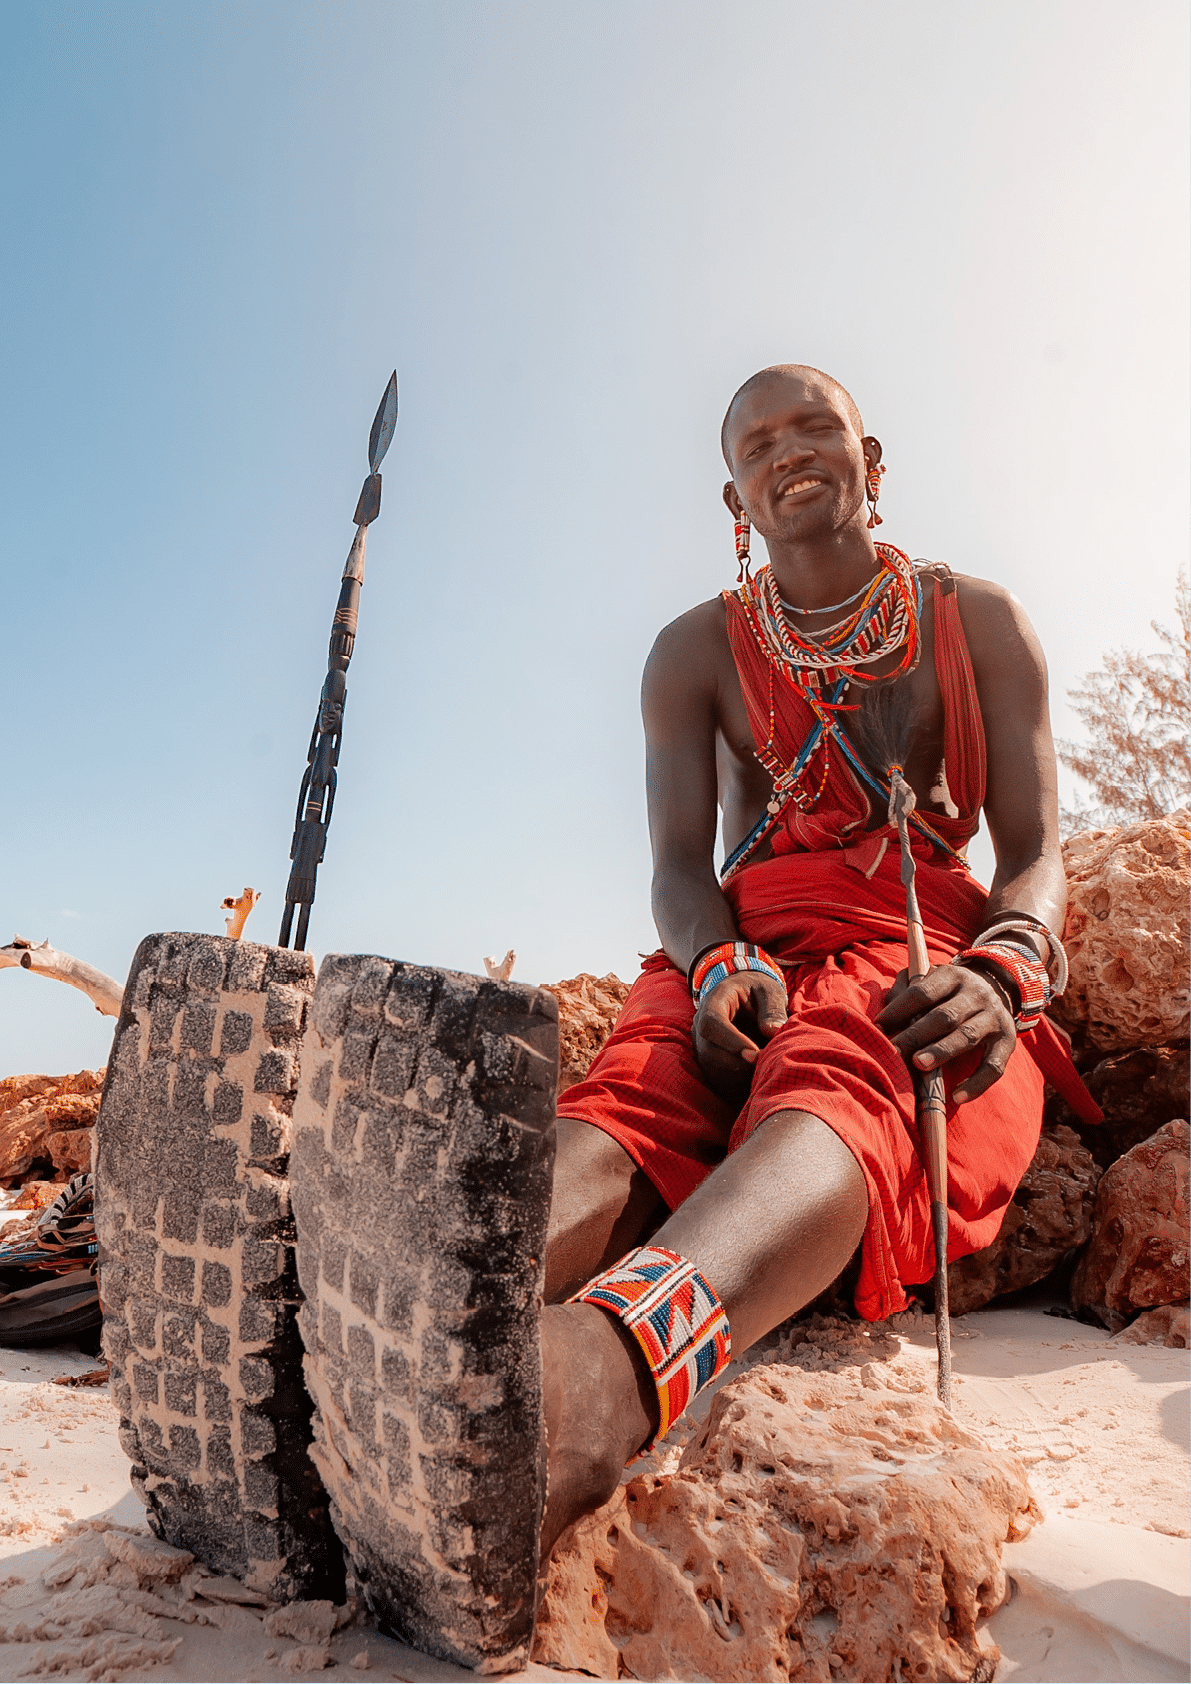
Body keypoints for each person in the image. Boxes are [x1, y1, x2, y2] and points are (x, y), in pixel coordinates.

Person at [537, 364, 1098, 1558]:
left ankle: (603, 1374)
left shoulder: (981, 622)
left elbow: (1040, 851)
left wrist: (1005, 973)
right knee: (631, 1096)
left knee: (850, 1072)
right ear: (732, 494)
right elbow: (679, 866)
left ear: (873, 461)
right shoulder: (691, 653)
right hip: (741, 943)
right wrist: (713, 964)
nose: (787, 452)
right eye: (757, 445)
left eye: (814, 428)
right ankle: (441, 1305)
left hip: (923, 937)